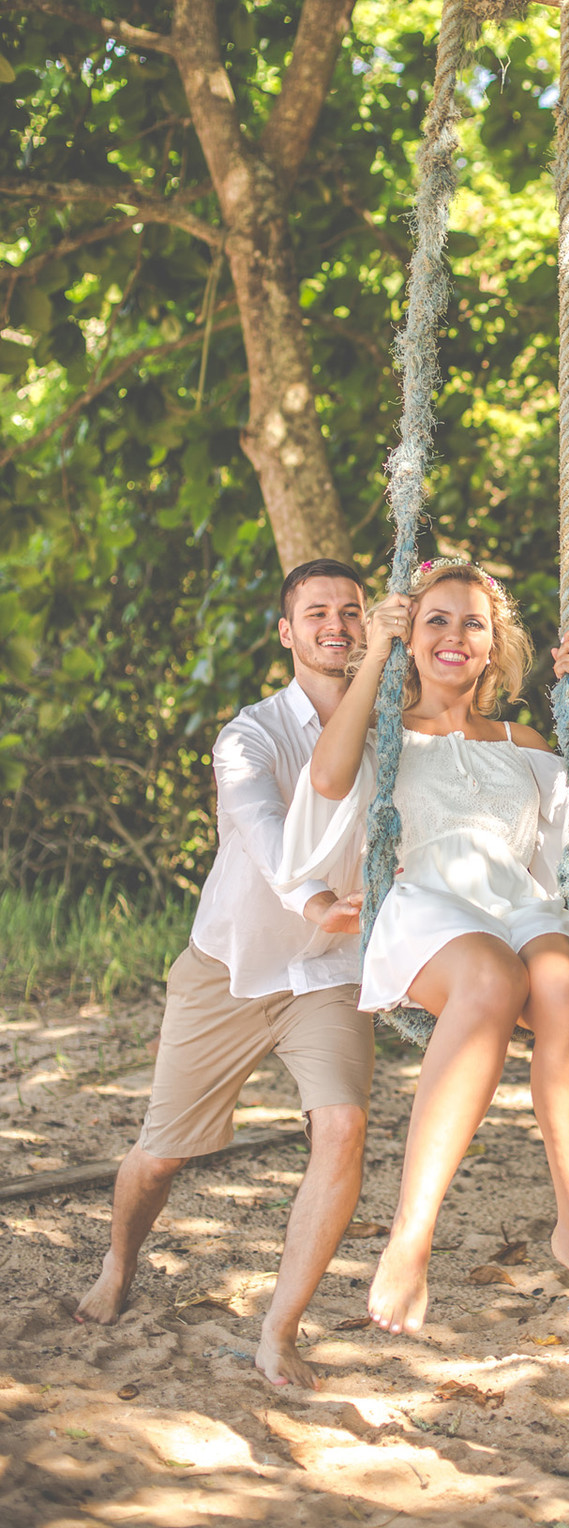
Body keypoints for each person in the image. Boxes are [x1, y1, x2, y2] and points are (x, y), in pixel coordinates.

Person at [275, 556, 569, 1337]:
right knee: (491, 977)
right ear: (410, 637)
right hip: (427, 907)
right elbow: (328, 780)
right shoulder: (382, 735)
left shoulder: (522, 740)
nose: (454, 635)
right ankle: (412, 1236)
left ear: (491, 645)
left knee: (564, 976)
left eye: (473, 623)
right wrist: (375, 647)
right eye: (435, 620)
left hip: (516, 902)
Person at [75, 559, 377, 1391]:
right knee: (159, 1158)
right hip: (229, 969)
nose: (337, 625)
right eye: (317, 612)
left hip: (327, 973)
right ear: (287, 633)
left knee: (342, 1126)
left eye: (352, 611)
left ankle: (279, 1331)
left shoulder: (393, 733)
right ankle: (119, 1263)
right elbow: (262, 828)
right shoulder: (249, 735)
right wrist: (317, 899)